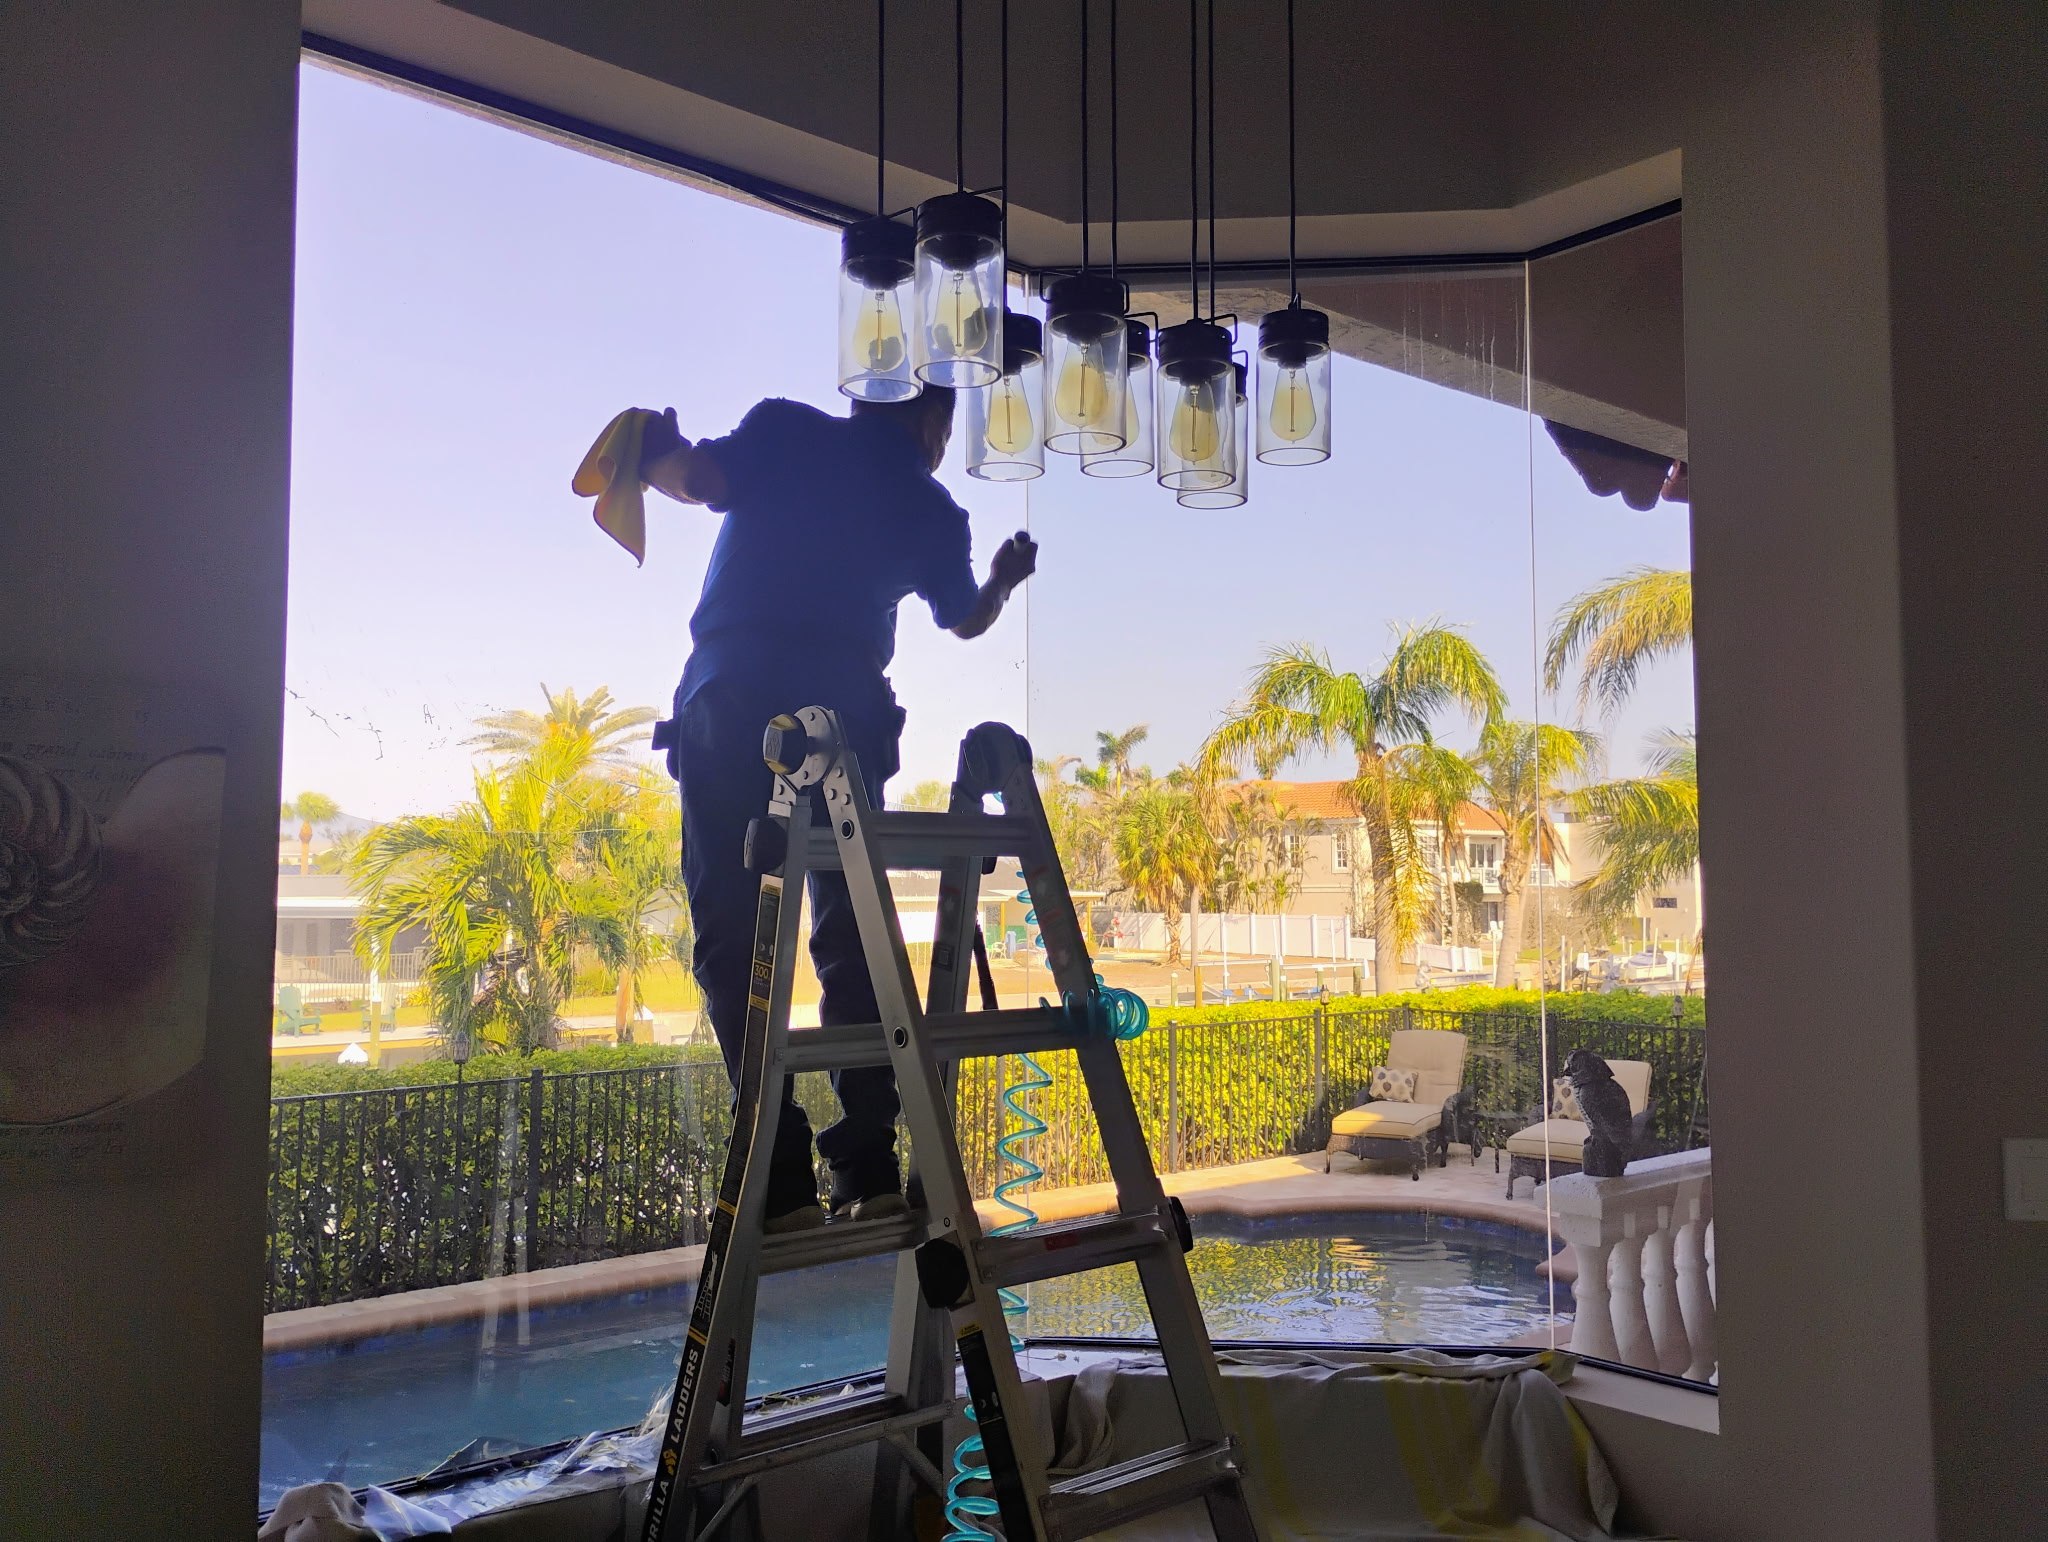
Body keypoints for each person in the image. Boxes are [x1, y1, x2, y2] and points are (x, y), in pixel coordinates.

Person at [636, 388, 1037, 1233]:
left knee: (732, 937)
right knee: (852, 932)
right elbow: (965, 619)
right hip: (844, 718)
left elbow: (700, 479)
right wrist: (1003, 580)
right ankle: (867, 1167)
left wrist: (651, 454)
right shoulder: (932, 509)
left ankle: (779, 1179)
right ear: (930, 421)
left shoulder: (784, 430)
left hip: (731, 702)